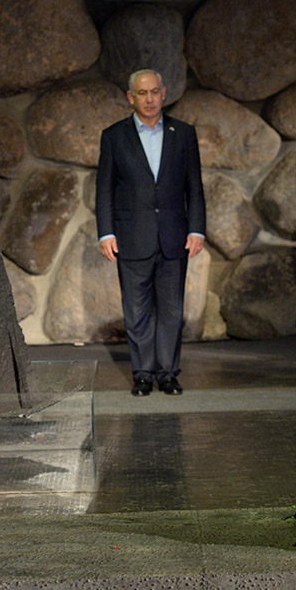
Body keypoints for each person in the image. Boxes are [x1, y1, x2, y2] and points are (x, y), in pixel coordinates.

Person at [96, 69, 206, 397]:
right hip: (131, 237)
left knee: (172, 310)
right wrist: (106, 233)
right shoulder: (114, 136)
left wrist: (197, 228)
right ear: (131, 97)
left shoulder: (183, 133)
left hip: (174, 236)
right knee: (137, 311)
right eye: (142, 93)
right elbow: (104, 189)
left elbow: (194, 186)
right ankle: (143, 373)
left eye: (154, 92)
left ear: (164, 93)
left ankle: (168, 373)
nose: (149, 99)